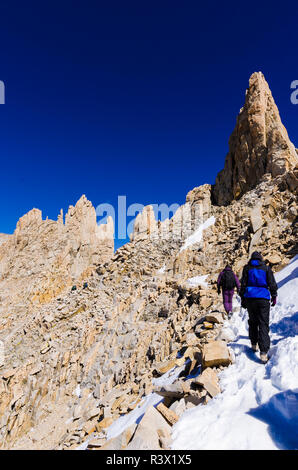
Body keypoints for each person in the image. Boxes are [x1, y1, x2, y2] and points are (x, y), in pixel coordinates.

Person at [240, 251, 278, 363]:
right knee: (263, 324)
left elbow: (243, 284)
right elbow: (272, 283)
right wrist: (274, 295)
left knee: (253, 322)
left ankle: (253, 343)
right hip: (263, 298)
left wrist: (243, 299)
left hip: (250, 298)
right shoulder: (266, 268)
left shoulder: (247, 268)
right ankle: (263, 352)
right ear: (260, 258)